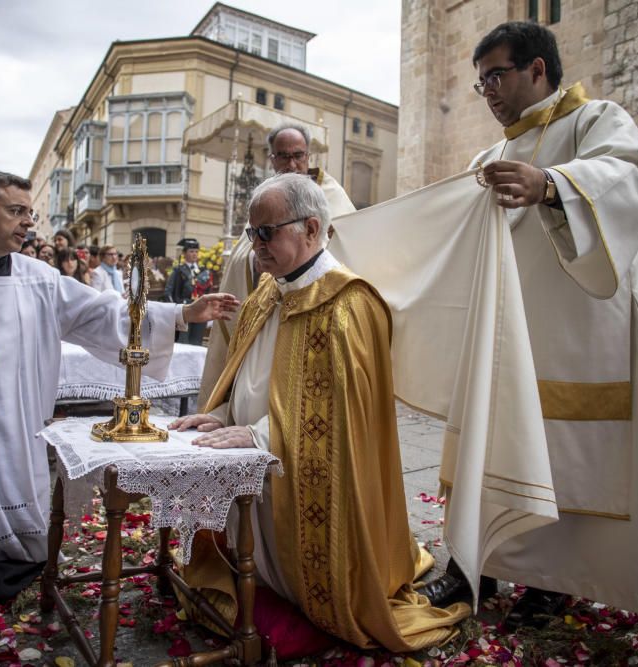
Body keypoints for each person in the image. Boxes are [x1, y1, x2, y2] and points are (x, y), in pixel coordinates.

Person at [0, 171, 238, 601]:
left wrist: (183, 315)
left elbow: (103, 314)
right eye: (16, 211)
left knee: (19, 530)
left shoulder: (38, 277)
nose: (27, 223)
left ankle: (6, 544)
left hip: (10, 427)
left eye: (29, 213)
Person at [419, 21, 638, 626]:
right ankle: (473, 565)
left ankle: (550, 583)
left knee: (558, 455)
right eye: (480, 84)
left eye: (495, 76)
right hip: (499, 338)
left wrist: (551, 184)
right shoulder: (491, 154)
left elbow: (629, 173)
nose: (489, 91)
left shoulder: (593, 120)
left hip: (570, 334)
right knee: (486, 443)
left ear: (537, 69)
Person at [171, 173, 466, 652]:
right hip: (253, 466)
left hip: (301, 475)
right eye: (252, 234)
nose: (256, 246)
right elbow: (246, 372)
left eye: (266, 233)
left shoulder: (349, 304)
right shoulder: (267, 292)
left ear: (311, 229)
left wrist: (260, 436)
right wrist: (223, 414)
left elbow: (343, 414)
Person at [197, 123, 357, 406]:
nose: (292, 163)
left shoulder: (332, 196)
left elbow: (353, 246)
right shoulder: (270, 197)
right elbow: (242, 255)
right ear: (271, 159)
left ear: (309, 156)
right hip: (268, 308)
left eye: (299, 155)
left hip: (317, 312)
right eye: (283, 156)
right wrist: (257, 257)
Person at [165, 238, 205, 345]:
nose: (194, 254)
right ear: (184, 253)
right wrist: (174, 310)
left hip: (200, 310)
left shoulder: (203, 271)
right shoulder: (178, 270)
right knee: (183, 343)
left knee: (196, 342)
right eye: (191, 251)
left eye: (196, 251)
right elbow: (168, 291)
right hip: (184, 310)